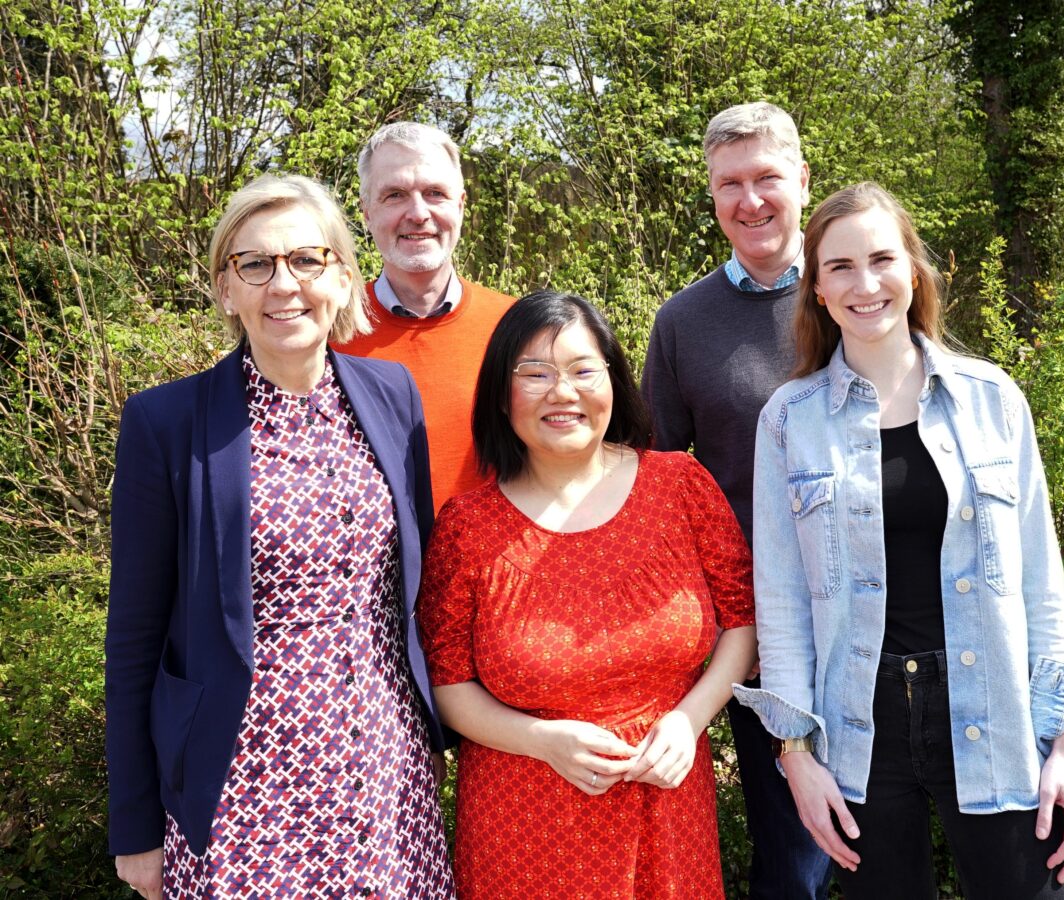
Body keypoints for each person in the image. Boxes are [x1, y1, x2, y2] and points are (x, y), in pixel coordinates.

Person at [734, 182, 1064, 898]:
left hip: (998, 716)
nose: (864, 284)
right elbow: (781, 603)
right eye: (839, 267)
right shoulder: (788, 421)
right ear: (816, 290)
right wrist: (796, 757)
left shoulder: (995, 400)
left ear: (914, 271)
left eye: (881, 259)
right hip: (858, 730)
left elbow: (1040, 585)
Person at [105, 174, 454, 899]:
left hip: (384, 769)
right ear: (226, 289)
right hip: (244, 778)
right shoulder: (165, 424)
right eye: (255, 264)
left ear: (343, 275)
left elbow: (414, 586)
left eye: (306, 259)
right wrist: (135, 825)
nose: (283, 284)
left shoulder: (393, 396)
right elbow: (134, 638)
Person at [417, 290, 758, 898]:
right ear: (501, 394)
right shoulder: (467, 528)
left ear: (614, 380)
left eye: (581, 370)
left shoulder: (679, 486)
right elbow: (447, 685)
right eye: (536, 374)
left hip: (669, 811)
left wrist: (690, 719)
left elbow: (742, 620)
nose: (562, 392)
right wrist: (544, 742)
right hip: (523, 824)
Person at [641, 100, 831, 898]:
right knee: (791, 845)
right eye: (730, 184)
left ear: (803, 179)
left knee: (886, 819)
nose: (750, 201)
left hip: (889, 615)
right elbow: (653, 484)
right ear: (712, 197)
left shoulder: (856, 294)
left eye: (766, 178)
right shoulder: (684, 322)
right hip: (765, 626)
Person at [339, 121, 514, 512]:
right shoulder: (329, 332)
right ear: (366, 212)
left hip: (492, 568)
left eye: (435, 193)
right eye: (395, 195)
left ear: (461, 205)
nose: (418, 214)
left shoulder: (517, 328)